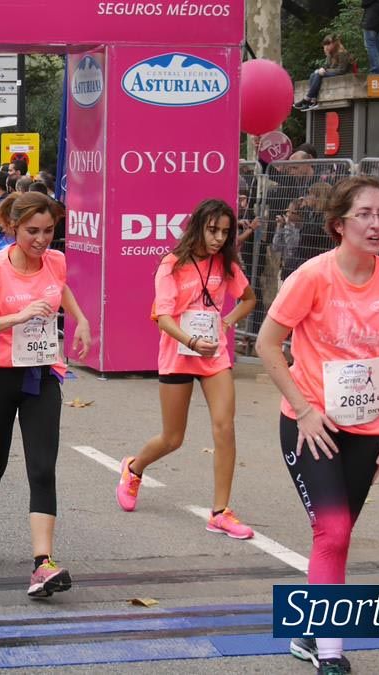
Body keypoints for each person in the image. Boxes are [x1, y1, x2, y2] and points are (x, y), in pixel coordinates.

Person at [255, 176, 379, 675]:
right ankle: (332, 654)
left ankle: (308, 629)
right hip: (312, 424)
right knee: (334, 530)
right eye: (364, 214)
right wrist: (303, 408)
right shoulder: (312, 276)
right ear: (339, 224)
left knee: (337, 535)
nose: (376, 223)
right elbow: (265, 344)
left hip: (367, 425)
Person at [0, 191, 92, 597]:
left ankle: (42, 563)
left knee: (42, 465)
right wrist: (17, 316)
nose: (42, 239)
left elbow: (60, 288)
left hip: (42, 373)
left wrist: (81, 319)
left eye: (49, 230)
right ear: (13, 227)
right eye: (32, 231)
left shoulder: (56, 261)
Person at [117, 199, 259, 537]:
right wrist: (192, 341)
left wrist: (225, 322)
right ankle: (134, 468)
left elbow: (249, 299)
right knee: (172, 438)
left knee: (225, 429)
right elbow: (162, 317)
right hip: (179, 353)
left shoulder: (226, 264)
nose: (219, 239)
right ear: (197, 226)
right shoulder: (171, 264)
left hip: (214, 356)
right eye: (213, 230)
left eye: (225, 232)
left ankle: (220, 512)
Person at [294, 36, 357, 111]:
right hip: (335, 73)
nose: (326, 46)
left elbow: (341, 70)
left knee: (319, 74)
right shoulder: (330, 54)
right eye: (325, 45)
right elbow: (326, 66)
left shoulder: (342, 53)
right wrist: (322, 68)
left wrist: (325, 72)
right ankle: (313, 101)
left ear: (334, 44)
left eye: (328, 44)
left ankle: (307, 98)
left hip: (344, 75)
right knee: (313, 74)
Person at [361, 0, 379, 73]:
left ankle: (375, 69)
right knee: (377, 46)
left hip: (370, 21)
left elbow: (364, 3)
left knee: (371, 45)